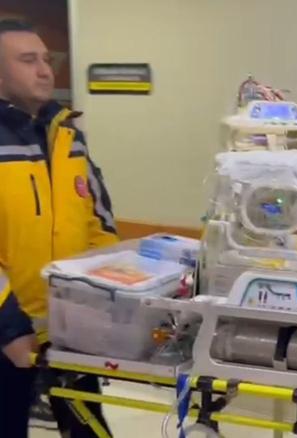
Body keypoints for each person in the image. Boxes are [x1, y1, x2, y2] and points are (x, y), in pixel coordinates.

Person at [0, 19, 118, 437]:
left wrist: (107, 298)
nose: (45, 71)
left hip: (70, 327)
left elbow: (98, 222)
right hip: (7, 331)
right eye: (27, 60)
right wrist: (10, 330)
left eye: (46, 60)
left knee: (88, 428)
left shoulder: (68, 135)